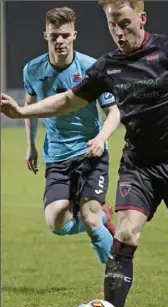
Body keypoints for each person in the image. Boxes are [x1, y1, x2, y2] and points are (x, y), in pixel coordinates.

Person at [1, 0, 168, 307]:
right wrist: (22, 112)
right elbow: (69, 100)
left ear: (142, 18)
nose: (118, 32)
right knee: (125, 234)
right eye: (112, 24)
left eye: (124, 23)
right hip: (139, 165)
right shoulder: (106, 66)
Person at [22, 7, 118, 265]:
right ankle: (103, 216)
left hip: (90, 152)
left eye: (65, 35)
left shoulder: (92, 68)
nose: (60, 41)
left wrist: (101, 139)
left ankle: (115, 277)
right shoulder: (32, 70)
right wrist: (30, 145)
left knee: (89, 217)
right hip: (56, 156)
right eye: (54, 36)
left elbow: (113, 112)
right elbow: (29, 108)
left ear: (74, 34)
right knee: (56, 222)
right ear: (46, 35)